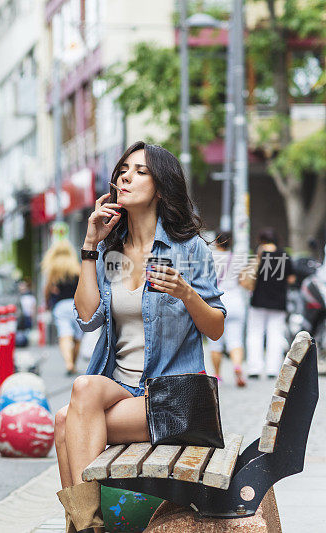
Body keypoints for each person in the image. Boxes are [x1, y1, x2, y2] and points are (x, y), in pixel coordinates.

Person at [53, 141, 226, 533]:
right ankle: (88, 525)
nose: (126, 177)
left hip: (174, 397)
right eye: (123, 170)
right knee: (81, 391)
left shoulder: (188, 249)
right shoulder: (111, 251)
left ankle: (83, 527)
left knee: (66, 422)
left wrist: (185, 292)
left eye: (141, 171)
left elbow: (215, 328)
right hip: (122, 389)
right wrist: (90, 245)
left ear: (162, 188)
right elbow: (86, 319)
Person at [241, 228, 295, 379]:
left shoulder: (259, 254)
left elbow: (251, 275)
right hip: (278, 302)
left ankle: (254, 369)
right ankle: (272, 369)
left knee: (255, 334)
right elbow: (291, 279)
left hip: (258, 300)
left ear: (261, 239)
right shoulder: (285, 255)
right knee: (275, 335)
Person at [209, 231, 248, 387]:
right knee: (236, 340)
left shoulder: (209, 257)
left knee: (215, 342)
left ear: (216, 242)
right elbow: (244, 281)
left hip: (217, 302)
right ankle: (237, 366)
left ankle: (217, 375)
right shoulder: (238, 259)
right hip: (236, 301)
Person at [41, 241, 83, 374]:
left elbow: (47, 290)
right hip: (77, 305)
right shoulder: (77, 267)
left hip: (60, 306)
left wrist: (47, 303)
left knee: (65, 335)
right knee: (77, 337)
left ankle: (68, 363)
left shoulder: (53, 269)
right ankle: (73, 363)